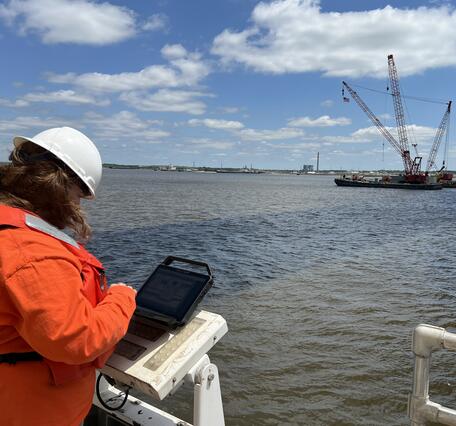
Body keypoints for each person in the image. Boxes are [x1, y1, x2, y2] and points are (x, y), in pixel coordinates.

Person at [0, 127, 137, 426]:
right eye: (80, 195)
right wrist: (122, 297)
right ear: (60, 185)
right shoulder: (32, 250)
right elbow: (75, 340)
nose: (78, 206)